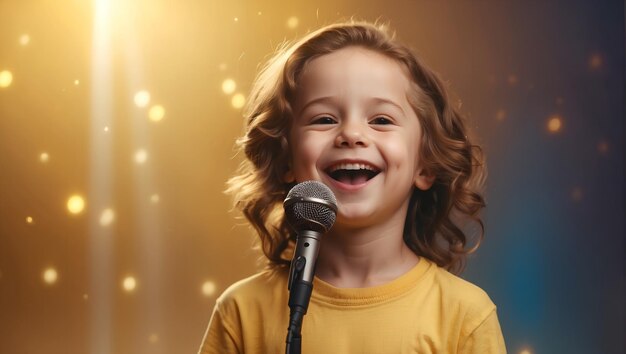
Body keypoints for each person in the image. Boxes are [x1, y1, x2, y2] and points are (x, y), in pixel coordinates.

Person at [199, 20, 506, 354]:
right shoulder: (243, 312)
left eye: (381, 120)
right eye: (324, 119)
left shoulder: (464, 316)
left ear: (426, 164)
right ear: (286, 158)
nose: (352, 134)